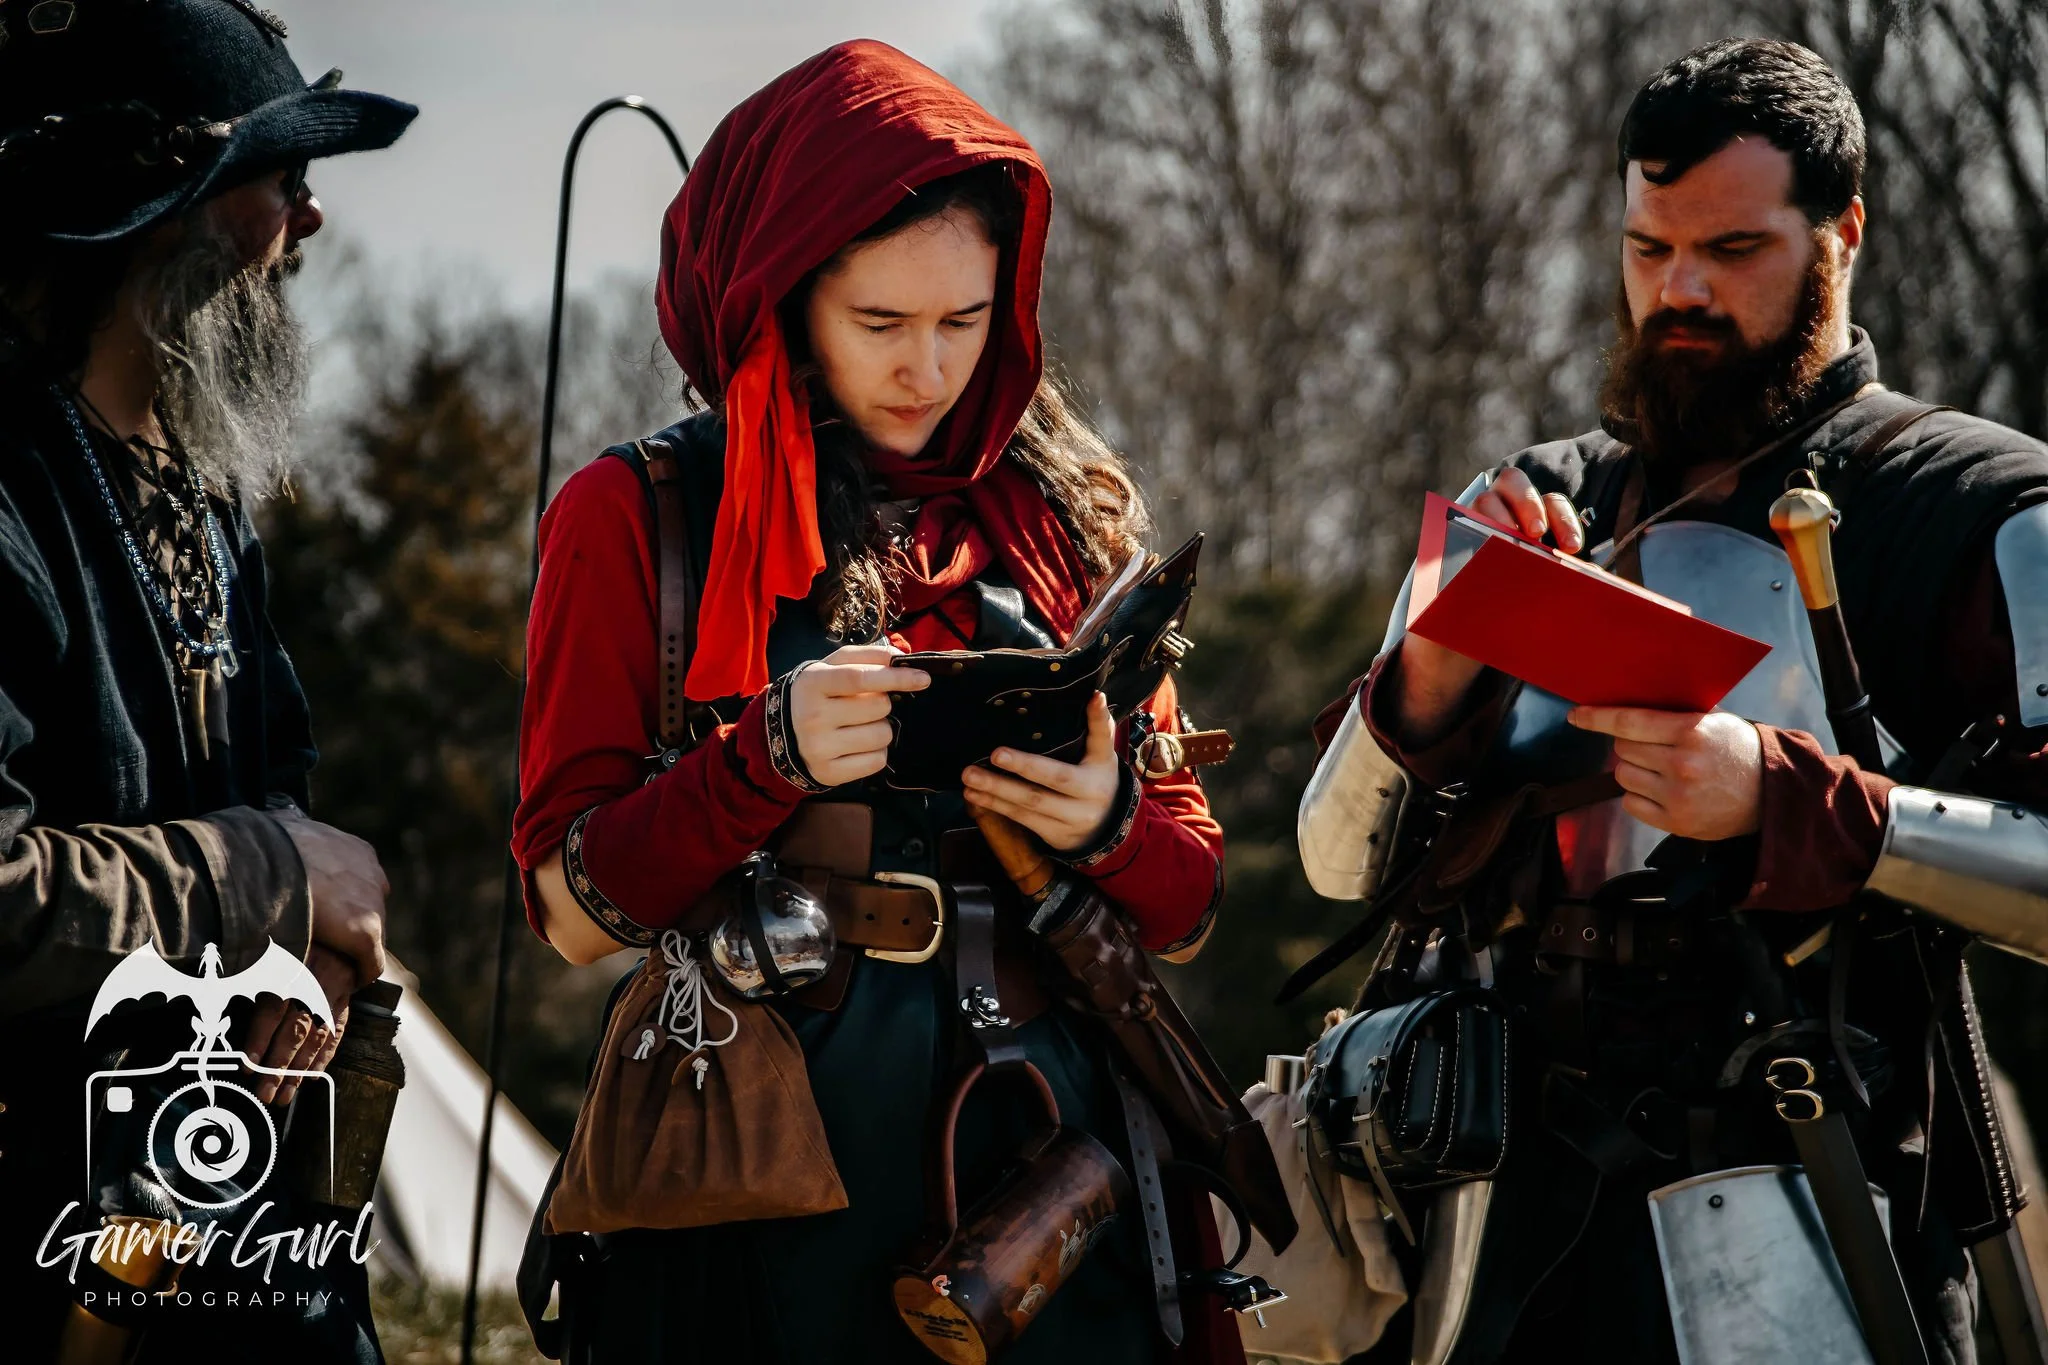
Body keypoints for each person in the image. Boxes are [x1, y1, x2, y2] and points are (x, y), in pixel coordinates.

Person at [1298, 38, 2048, 1363]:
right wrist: (1427, 678)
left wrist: (1788, 801)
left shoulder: (1980, 508)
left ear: (1843, 236)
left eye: (1733, 251)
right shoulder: (1541, 497)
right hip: (1506, 1210)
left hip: (1822, 1182)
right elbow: (1334, 857)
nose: (1680, 291)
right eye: (1648, 250)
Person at [512, 39, 1243, 1365]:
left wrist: (1107, 822)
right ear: (781, 303)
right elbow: (567, 914)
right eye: (880, 325)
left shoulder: (1062, 517)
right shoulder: (636, 517)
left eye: (965, 323)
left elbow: (1187, 909)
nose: (930, 370)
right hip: (764, 1151)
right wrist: (763, 757)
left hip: (1053, 1147)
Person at [0, 2, 413, 1359]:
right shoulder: (9, 491)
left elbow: (284, 801)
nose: (311, 224)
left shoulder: (203, 491)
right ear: (163, 210)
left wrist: (306, 964)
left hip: (227, 1250)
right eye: (283, 182)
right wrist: (260, 879)